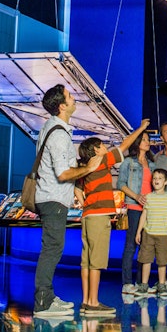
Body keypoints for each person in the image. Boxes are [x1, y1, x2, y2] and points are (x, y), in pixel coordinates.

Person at [32, 84, 103, 319]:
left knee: (52, 247)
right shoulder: (60, 134)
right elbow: (63, 173)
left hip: (51, 197)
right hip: (53, 199)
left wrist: (74, 189)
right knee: (52, 248)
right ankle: (43, 302)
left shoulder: (50, 128)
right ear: (62, 106)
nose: (74, 99)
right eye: (70, 97)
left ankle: (48, 296)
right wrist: (88, 168)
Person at [74, 120, 151, 316]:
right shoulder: (101, 161)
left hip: (88, 216)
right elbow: (125, 145)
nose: (105, 147)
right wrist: (140, 128)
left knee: (86, 260)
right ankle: (93, 303)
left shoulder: (84, 166)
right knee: (97, 261)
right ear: (95, 150)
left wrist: (86, 204)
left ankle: (85, 301)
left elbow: (77, 189)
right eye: (101, 145)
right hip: (99, 217)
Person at [116, 132, 154, 295]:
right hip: (133, 207)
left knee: (145, 246)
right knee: (131, 245)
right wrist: (136, 197)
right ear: (137, 143)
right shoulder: (128, 162)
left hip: (150, 209)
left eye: (148, 140)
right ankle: (127, 283)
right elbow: (120, 184)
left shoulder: (152, 163)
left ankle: (141, 283)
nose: (147, 142)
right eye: (144, 139)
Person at [134, 168, 167, 299]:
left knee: (162, 261)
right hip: (148, 233)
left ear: (166, 182)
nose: (156, 181)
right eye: (154, 178)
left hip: (163, 234)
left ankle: (161, 285)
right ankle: (144, 285)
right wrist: (139, 232)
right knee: (145, 259)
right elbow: (144, 215)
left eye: (160, 178)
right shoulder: (148, 197)